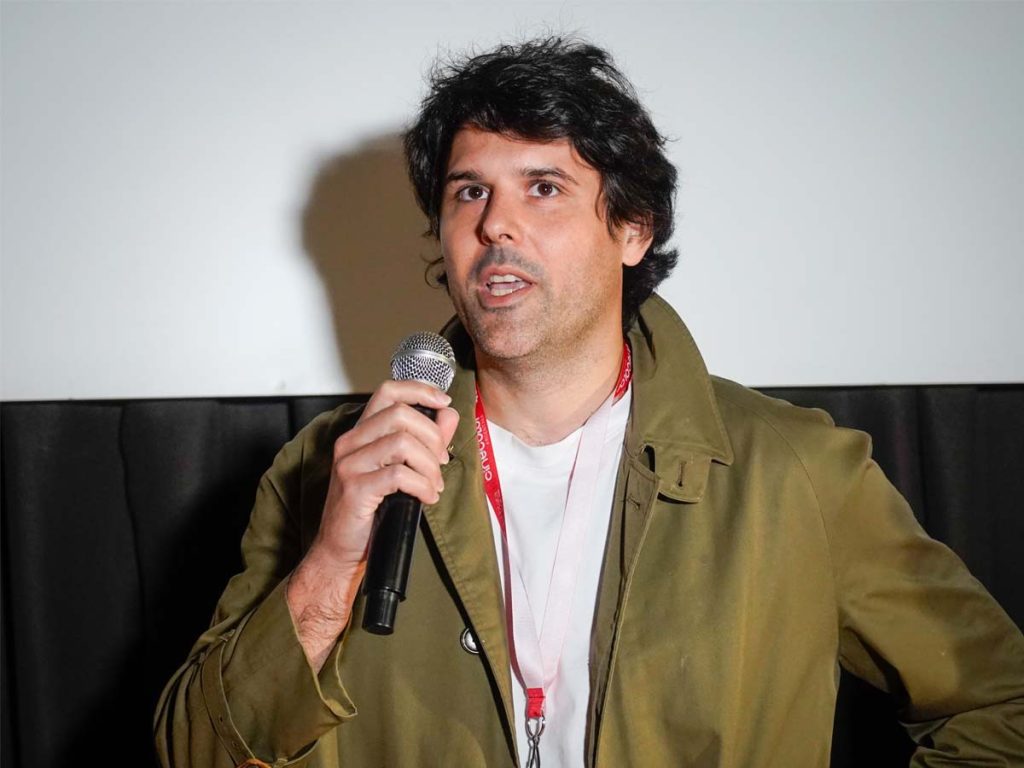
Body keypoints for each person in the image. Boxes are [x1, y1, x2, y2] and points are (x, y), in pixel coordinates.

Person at [154, 37, 1024, 767]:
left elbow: (1003, 706)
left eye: (543, 187)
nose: (496, 224)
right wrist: (331, 565)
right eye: (469, 192)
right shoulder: (323, 470)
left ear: (633, 228)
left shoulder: (795, 471)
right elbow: (195, 752)